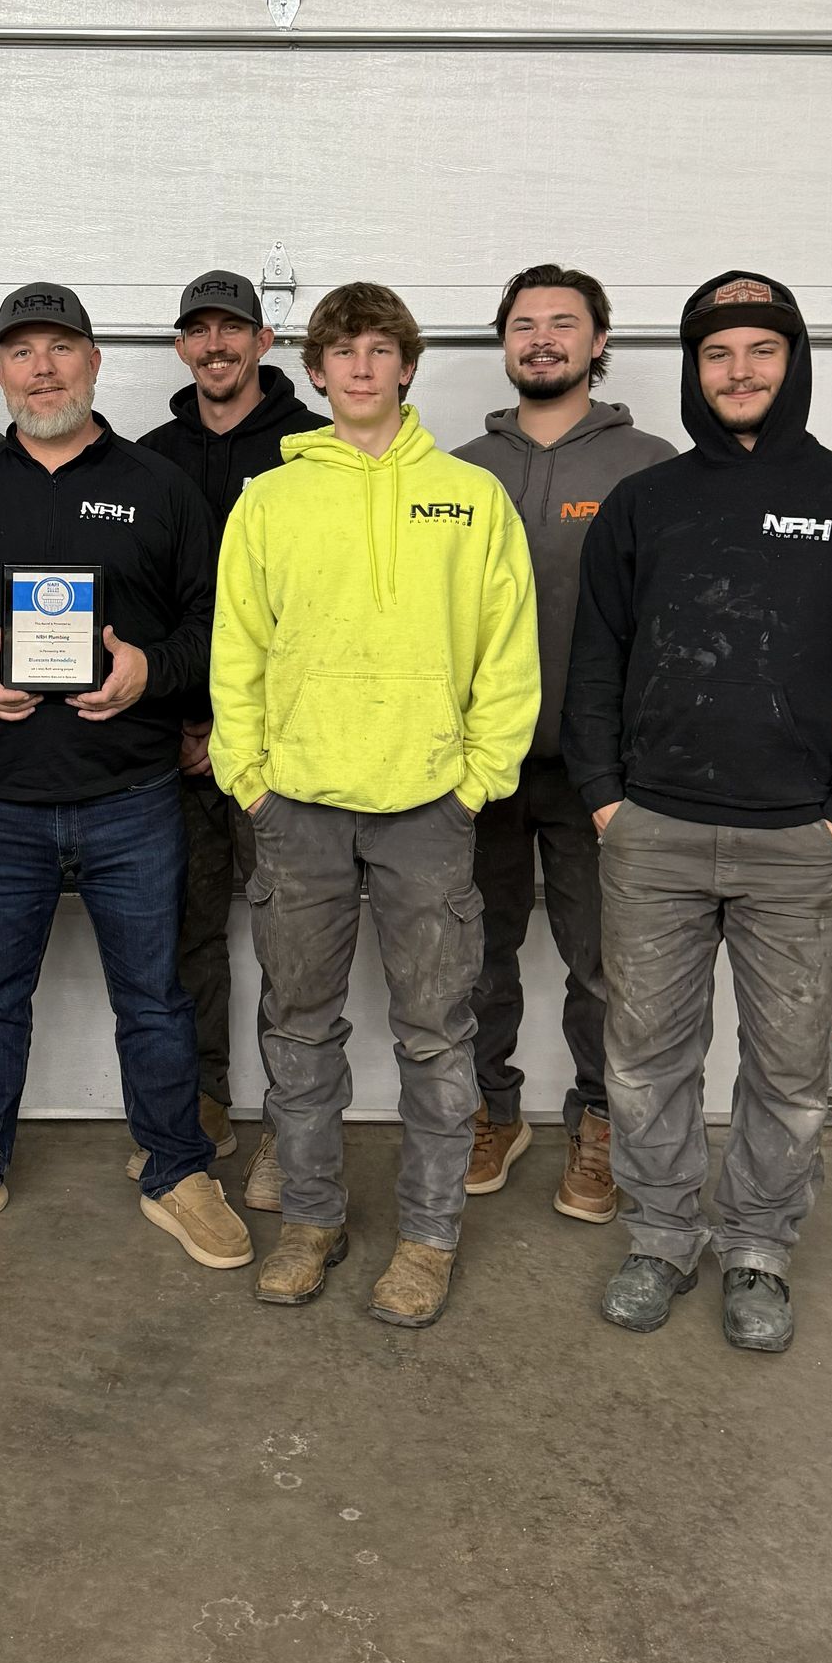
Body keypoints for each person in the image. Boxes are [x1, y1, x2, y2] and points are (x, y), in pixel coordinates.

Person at [563, 272, 832, 1353]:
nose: (739, 372)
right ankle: (665, 1235)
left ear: (793, 363)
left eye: (761, 352)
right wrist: (603, 800)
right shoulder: (646, 503)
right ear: (692, 369)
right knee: (644, 1055)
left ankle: (759, 1247)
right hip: (654, 836)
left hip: (795, 842)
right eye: (718, 354)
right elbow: (597, 661)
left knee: (786, 1066)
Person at [0, 280, 252, 1273]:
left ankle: (177, 1166)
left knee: (155, 996)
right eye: (20, 352)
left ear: (95, 361)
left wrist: (151, 671)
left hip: (132, 798)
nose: (40, 367)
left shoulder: (158, 486)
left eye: (60, 348)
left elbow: (216, 629)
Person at [210, 280, 539, 1325]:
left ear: (407, 366)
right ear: (314, 371)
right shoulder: (270, 498)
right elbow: (238, 652)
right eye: (340, 350)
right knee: (299, 1029)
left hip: (426, 811)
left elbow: (507, 651)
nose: (359, 365)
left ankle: (430, 1237)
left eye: (379, 348)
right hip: (297, 809)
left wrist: (477, 778)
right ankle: (310, 1219)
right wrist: (250, 777)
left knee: (438, 1035)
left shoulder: (469, 496)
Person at [452, 265, 674, 1223]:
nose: (542, 339)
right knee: (476, 954)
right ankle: (491, 1113)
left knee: (603, 964)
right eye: (524, 325)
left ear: (598, 343)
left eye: (563, 324)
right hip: (478, 767)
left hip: (603, 775)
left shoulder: (649, 465)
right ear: (504, 344)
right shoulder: (456, 471)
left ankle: (601, 1125)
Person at [137, 269, 326, 1208]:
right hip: (174, 743)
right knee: (187, 936)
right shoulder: (149, 457)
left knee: (294, 944)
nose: (215, 346)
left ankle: (292, 1130)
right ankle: (203, 1104)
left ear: (264, 343)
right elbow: (139, 602)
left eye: (233, 330)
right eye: (197, 331)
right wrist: (189, 721)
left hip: (284, 748)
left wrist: (245, 729)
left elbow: (326, 613)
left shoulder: (315, 450)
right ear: (180, 346)